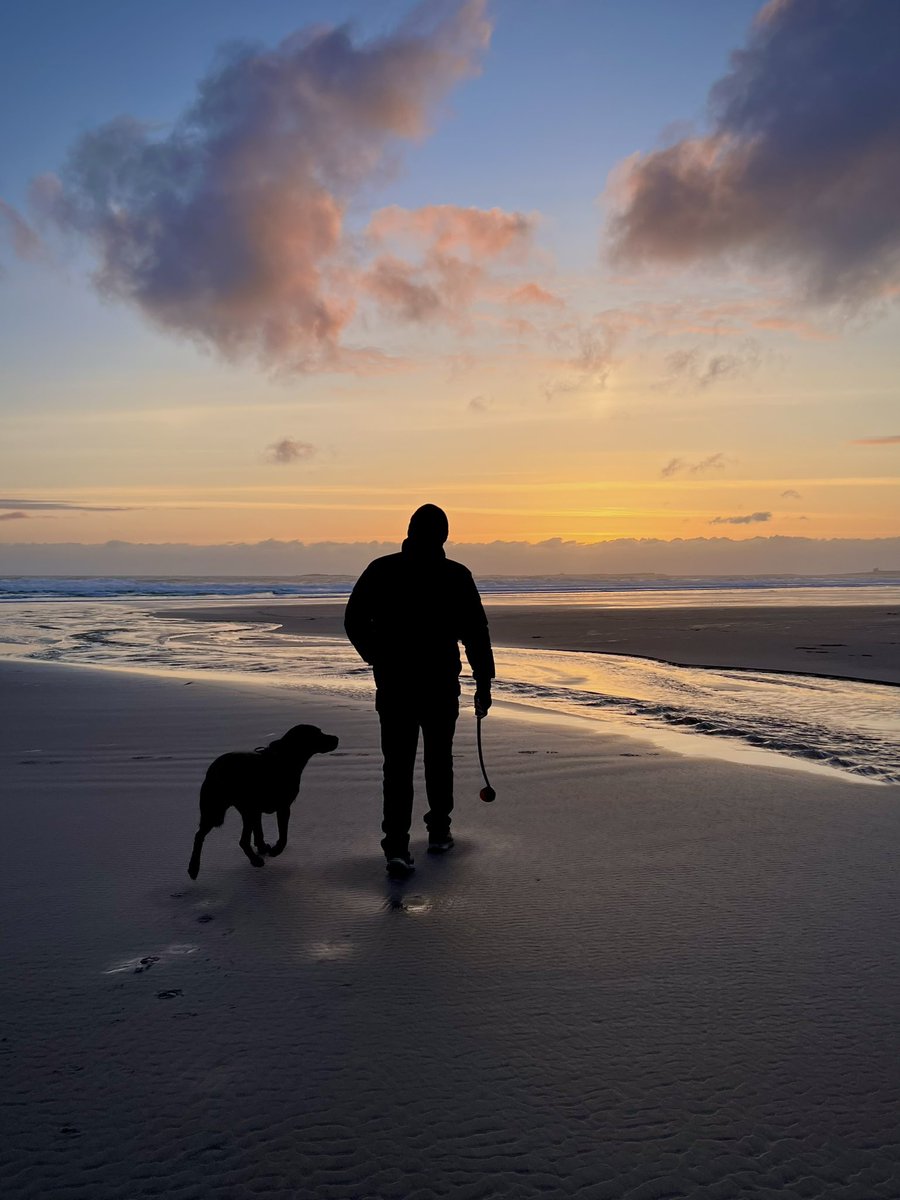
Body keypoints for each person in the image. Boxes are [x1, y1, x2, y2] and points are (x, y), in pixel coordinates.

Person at [344, 504, 494, 877]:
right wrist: (483, 681)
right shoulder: (455, 575)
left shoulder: (383, 569)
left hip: (396, 684)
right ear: (443, 535)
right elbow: (476, 632)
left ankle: (396, 844)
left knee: (397, 765)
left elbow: (353, 620)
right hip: (439, 683)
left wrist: (377, 656)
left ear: (410, 531)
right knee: (438, 759)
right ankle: (438, 832)